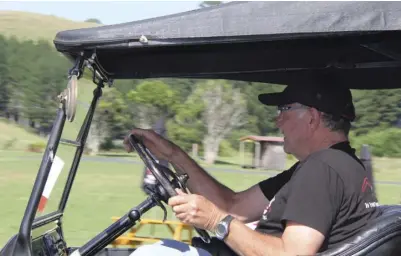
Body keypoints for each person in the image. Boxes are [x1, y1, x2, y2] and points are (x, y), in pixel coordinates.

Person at [124, 82, 381, 256]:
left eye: (284, 109)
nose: (277, 119)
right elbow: (233, 206)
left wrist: (216, 221)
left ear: (312, 117)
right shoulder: (330, 165)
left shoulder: (322, 168)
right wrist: (172, 154)